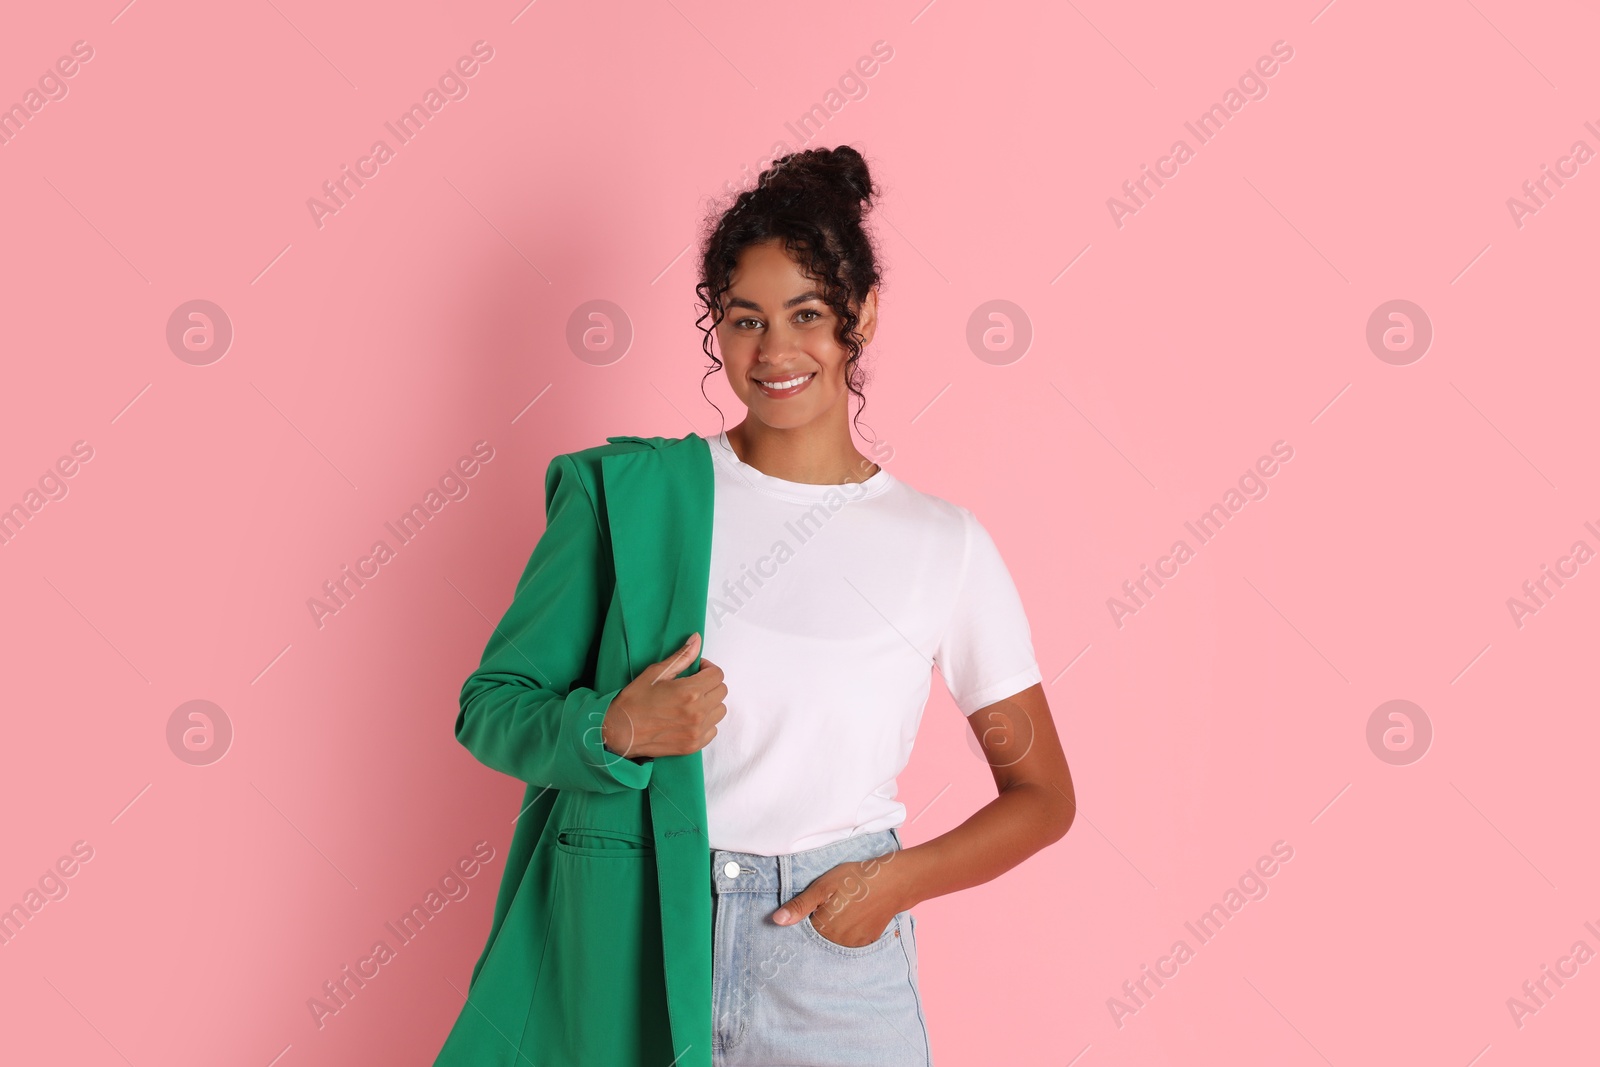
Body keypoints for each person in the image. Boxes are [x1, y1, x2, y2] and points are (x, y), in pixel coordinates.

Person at [436, 144, 1074, 1067]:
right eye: (744, 320)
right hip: (642, 931)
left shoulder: (944, 544)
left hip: (834, 958)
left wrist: (893, 884)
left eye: (806, 314)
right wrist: (612, 726)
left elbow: (1043, 796)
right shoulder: (632, 498)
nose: (774, 352)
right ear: (716, 330)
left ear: (861, 315)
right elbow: (490, 706)